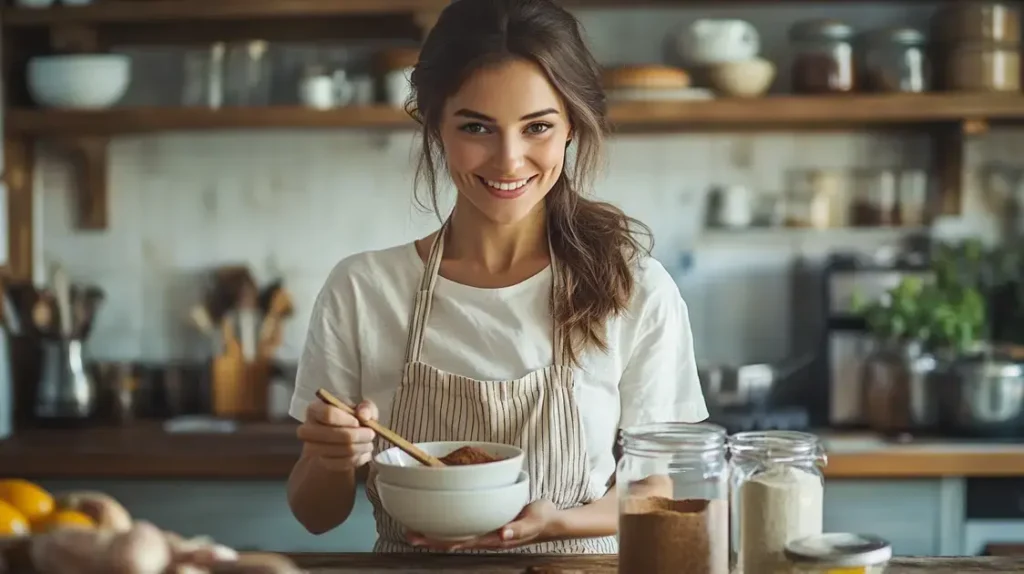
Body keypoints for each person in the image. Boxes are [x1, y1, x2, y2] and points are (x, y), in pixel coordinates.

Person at [286, 0, 708, 554]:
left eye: (537, 127)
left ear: (572, 128)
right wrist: (328, 456)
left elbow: (657, 486)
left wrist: (556, 523)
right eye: (477, 127)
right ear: (434, 124)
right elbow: (316, 516)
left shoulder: (635, 288)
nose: (509, 160)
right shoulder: (362, 290)